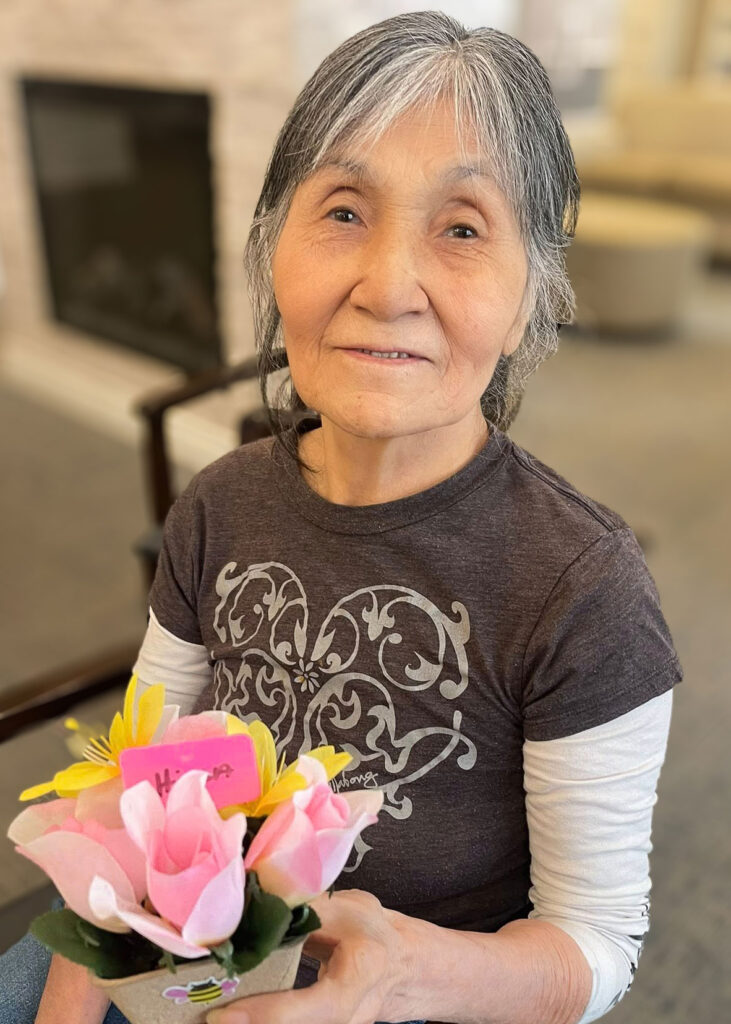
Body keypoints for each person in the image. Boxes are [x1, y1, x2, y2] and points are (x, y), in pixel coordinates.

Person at [1, 11, 682, 1024]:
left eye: (460, 228)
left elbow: (593, 943)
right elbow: (144, 784)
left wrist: (403, 974)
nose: (387, 287)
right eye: (345, 211)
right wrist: (75, 982)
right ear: (274, 244)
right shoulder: (216, 506)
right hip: (181, 951)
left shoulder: (583, 588)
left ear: (531, 291)